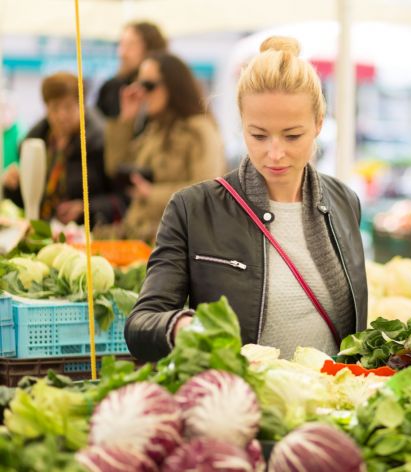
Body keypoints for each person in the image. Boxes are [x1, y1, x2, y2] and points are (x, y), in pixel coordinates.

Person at [125, 36, 367, 363]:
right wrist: (181, 326)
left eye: (293, 135)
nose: (275, 153)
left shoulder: (344, 202)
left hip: (330, 405)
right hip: (240, 403)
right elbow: (141, 324)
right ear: (242, 124)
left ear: (319, 124)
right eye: (259, 135)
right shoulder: (193, 209)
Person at [103, 51, 226, 241]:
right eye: (139, 84)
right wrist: (126, 120)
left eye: (149, 85)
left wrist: (151, 193)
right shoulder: (155, 128)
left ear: (173, 86)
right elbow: (115, 168)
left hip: (176, 243)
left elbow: (207, 192)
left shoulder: (199, 130)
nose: (142, 93)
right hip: (140, 237)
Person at [3, 72, 122, 225]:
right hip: (43, 230)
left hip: (87, 234)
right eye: (54, 108)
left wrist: (86, 209)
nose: (61, 115)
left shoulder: (100, 143)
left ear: (82, 105)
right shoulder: (35, 143)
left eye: (68, 107)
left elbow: (121, 199)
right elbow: (29, 204)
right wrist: (14, 186)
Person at [96, 21, 167, 120]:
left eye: (131, 45)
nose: (122, 53)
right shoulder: (111, 88)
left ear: (150, 49)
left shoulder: (162, 89)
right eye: (121, 44)